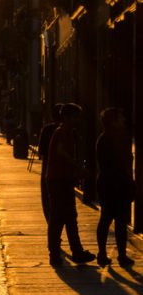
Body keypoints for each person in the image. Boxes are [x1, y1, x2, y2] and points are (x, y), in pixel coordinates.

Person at [45, 102, 95, 267]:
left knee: (68, 216)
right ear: (66, 117)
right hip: (59, 179)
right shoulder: (63, 132)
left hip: (61, 178)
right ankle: (58, 252)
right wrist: (78, 167)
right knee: (60, 216)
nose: (78, 120)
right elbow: (61, 152)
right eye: (75, 117)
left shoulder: (64, 131)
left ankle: (75, 251)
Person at [95, 107, 135, 268]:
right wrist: (130, 182)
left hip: (107, 182)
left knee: (107, 218)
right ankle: (121, 255)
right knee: (118, 220)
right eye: (120, 118)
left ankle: (103, 253)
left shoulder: (102, 139)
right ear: (114, 121)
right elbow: (125, 163)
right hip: (117, 183)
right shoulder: (119, 139)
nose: (123, 120)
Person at [37, 103, 62, 222]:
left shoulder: (47, 129)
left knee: (47, 198)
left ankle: (51, 224)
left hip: (48, 167)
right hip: (63, 170)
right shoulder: (68, 130)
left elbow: (41, 151)